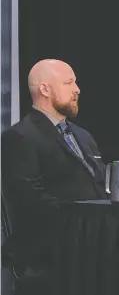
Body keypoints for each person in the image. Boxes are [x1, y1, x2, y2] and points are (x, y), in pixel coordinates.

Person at [1, 59, 107, 267]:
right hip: (53, 253)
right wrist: (85, 220)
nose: (77, 89)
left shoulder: (83, 136)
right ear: (45, 89)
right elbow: (29, 201)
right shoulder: (19, 137)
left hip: (95, 244)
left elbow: (99, 185)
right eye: (69, 83)